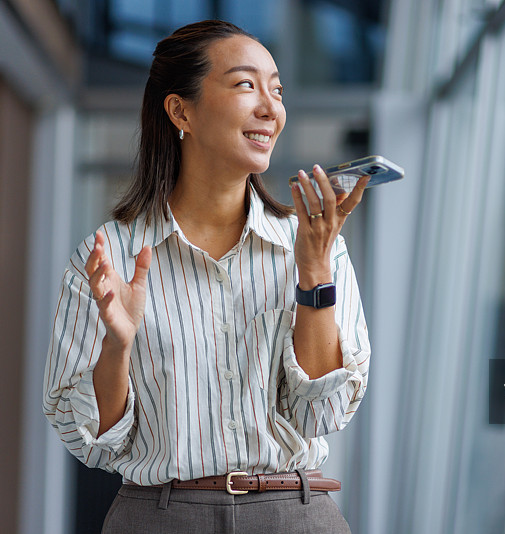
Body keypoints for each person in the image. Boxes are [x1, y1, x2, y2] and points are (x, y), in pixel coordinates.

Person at [43, 19, 370, 533]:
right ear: (181, 111)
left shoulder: (312, 246)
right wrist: (117, 346)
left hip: (295, 515)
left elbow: (322, 414)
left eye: (277, 89)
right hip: (159, 517)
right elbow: (89, 438)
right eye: (245, 84)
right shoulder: (110, 256)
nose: (270, 107)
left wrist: (313, 272)